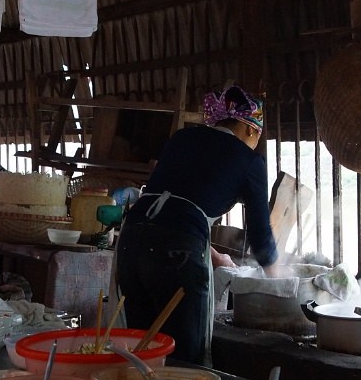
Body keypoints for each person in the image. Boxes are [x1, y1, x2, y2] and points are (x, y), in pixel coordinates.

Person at [114, 84, 281, 365]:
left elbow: (175, 209)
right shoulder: (250, 160)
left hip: (130, 243)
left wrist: (215, 255)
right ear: (252, 129)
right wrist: (279, 282)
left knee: (143, 349)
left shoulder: (181, 139)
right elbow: (261, 237)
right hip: (175, 256)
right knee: (184, 356)